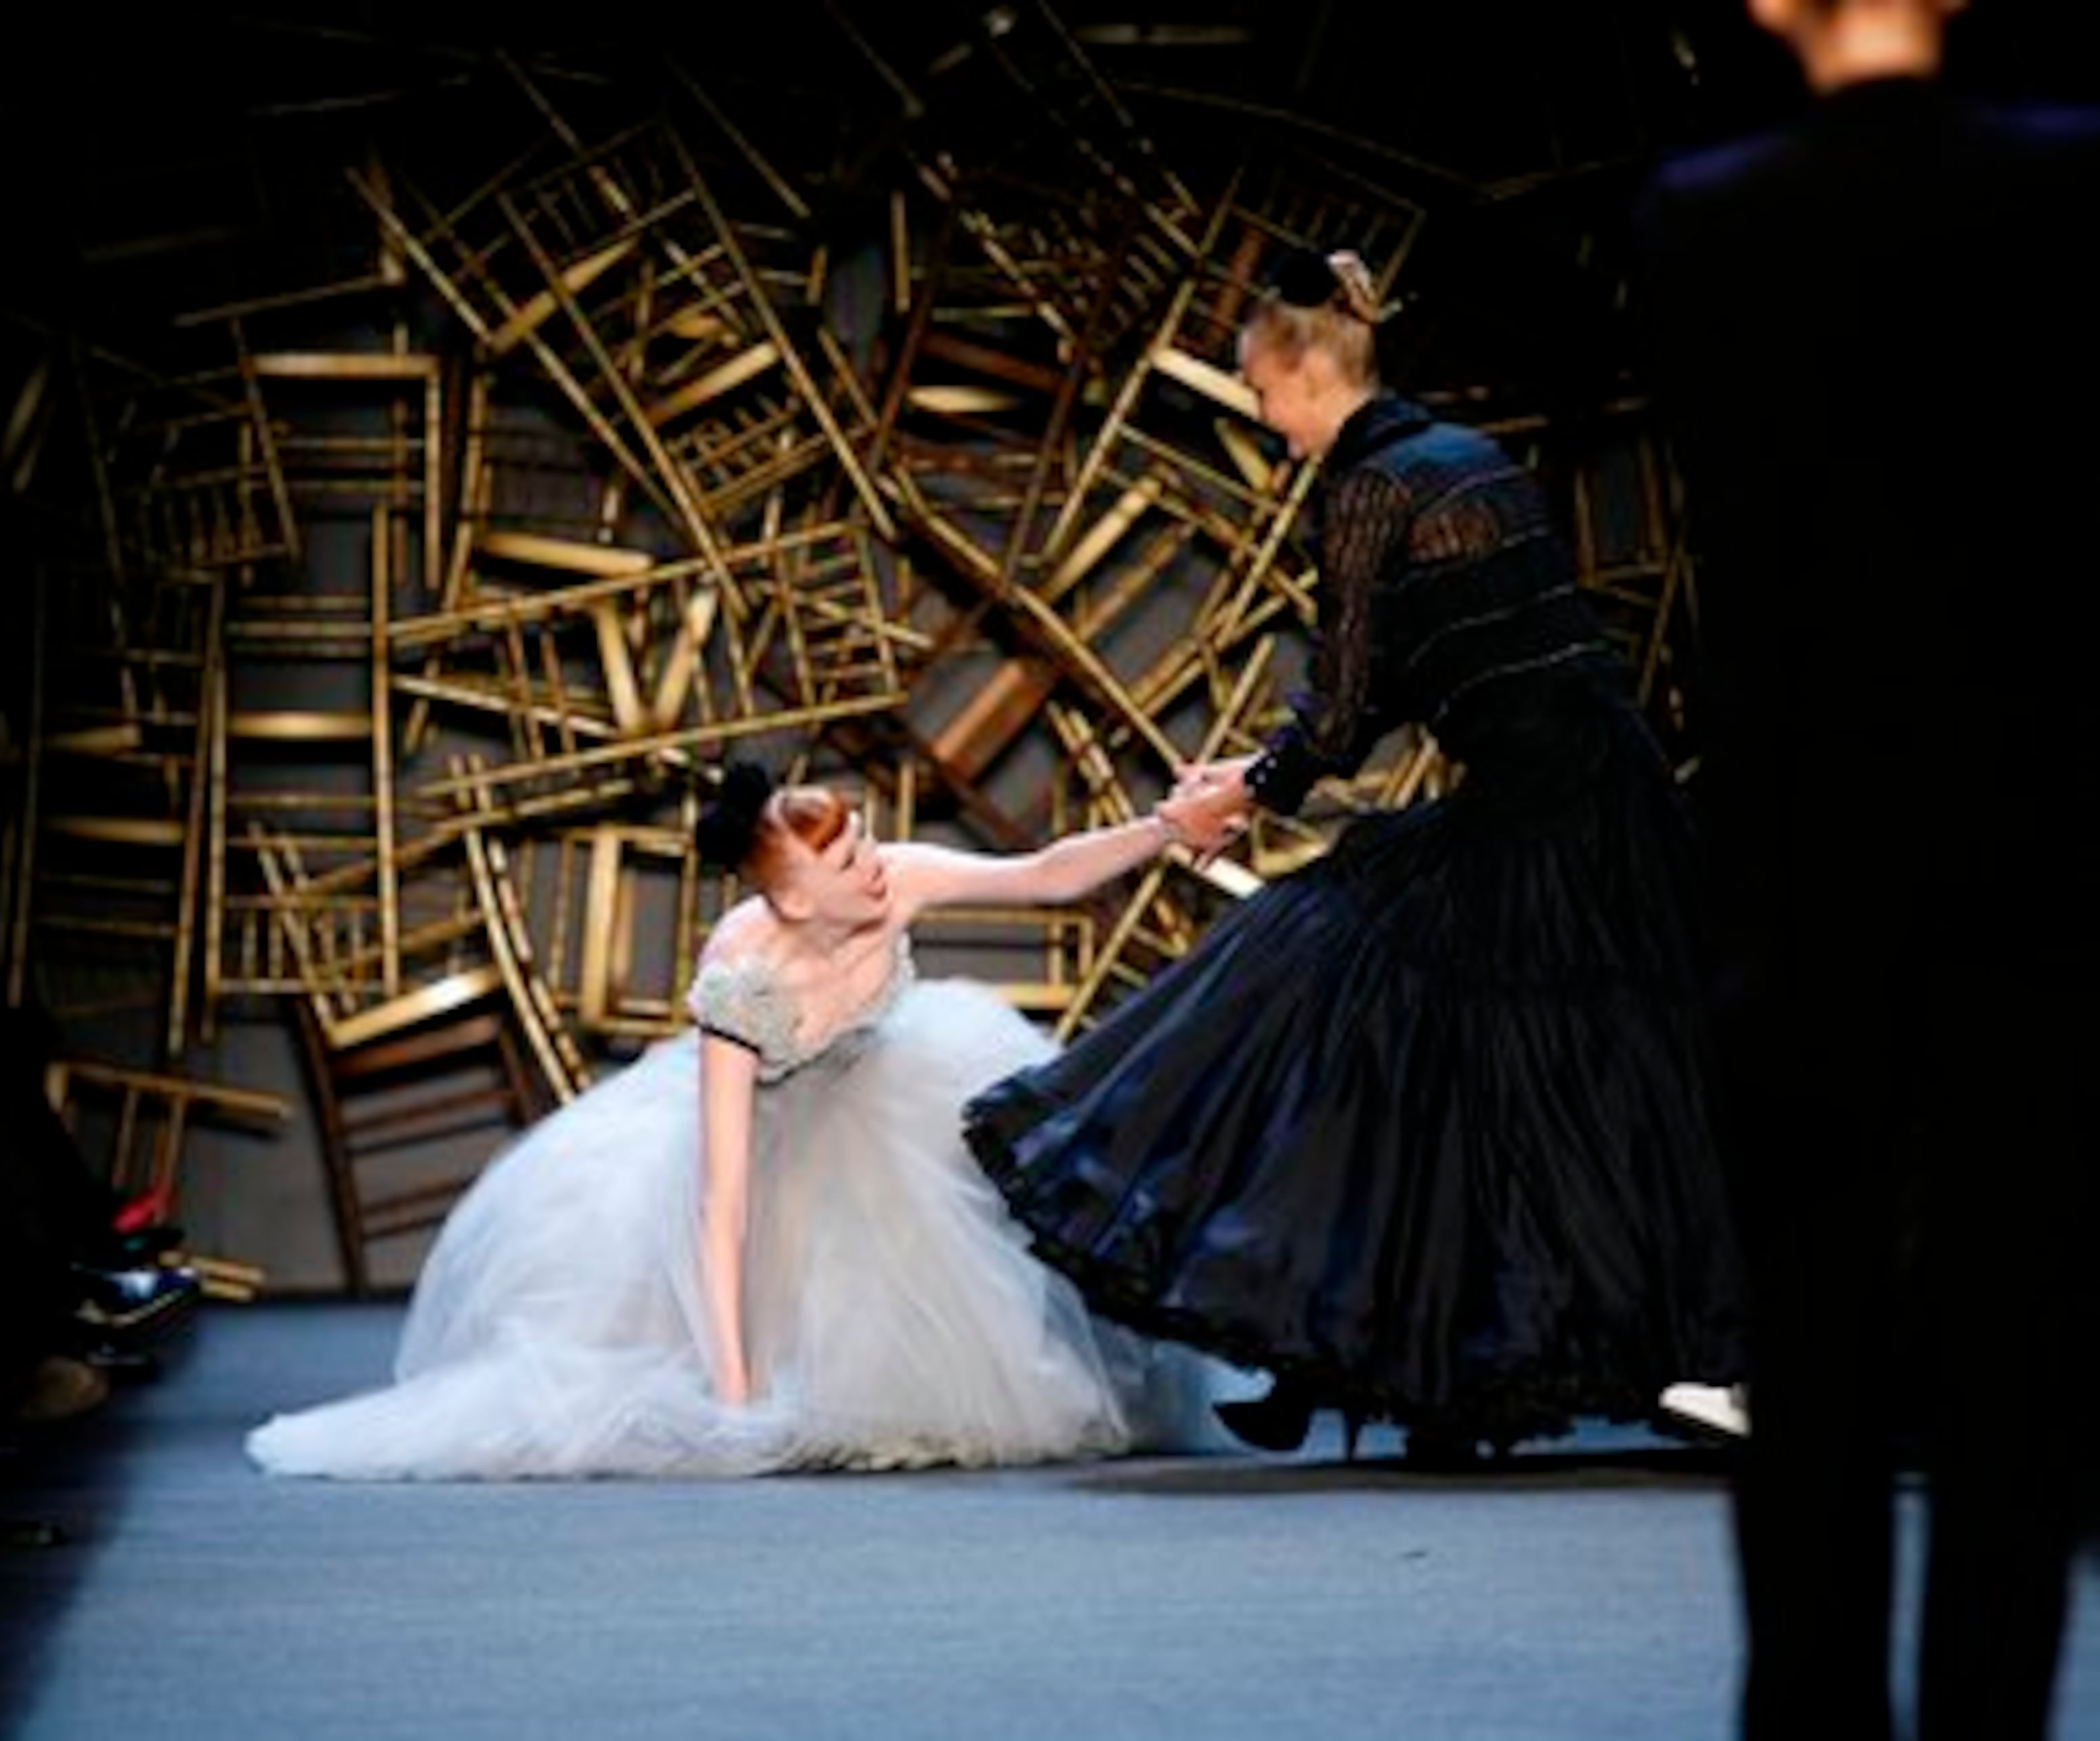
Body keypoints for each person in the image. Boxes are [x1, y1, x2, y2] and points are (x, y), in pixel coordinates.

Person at [963, 248, 1751, 1464]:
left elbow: (1340, 709)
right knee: (1490, 1053)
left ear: (1297, 369)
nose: (1264, 419)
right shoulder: (1464, 456)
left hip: (1549, 816)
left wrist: (1245, 793)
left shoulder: (1370, 486)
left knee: (1382, 999)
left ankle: (1701, 1356)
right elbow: (1396, 684)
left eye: (1260, 392)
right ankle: (1386, 1357)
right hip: (1597, 788)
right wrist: (1257, 780)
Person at [1634, 4, 2096, 1736]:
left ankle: (1812, 1713)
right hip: (2038, 839)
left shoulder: (1707, 218)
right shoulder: (2067, 193)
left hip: (1804, 844)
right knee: (2016, 1341)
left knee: (1810, 1341)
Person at [246, 765, 1225, 1480]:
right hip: (772, 1146)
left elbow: (1044, 873)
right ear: (793, 894)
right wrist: (734, 1384)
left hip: (889, 1092)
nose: (870, 861)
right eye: (843, 856)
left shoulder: (896, 880)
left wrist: (1165, 827)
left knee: (1006, 1166)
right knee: (754, 1325)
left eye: (864, 837)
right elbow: (721, 1197)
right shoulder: (743, 977)